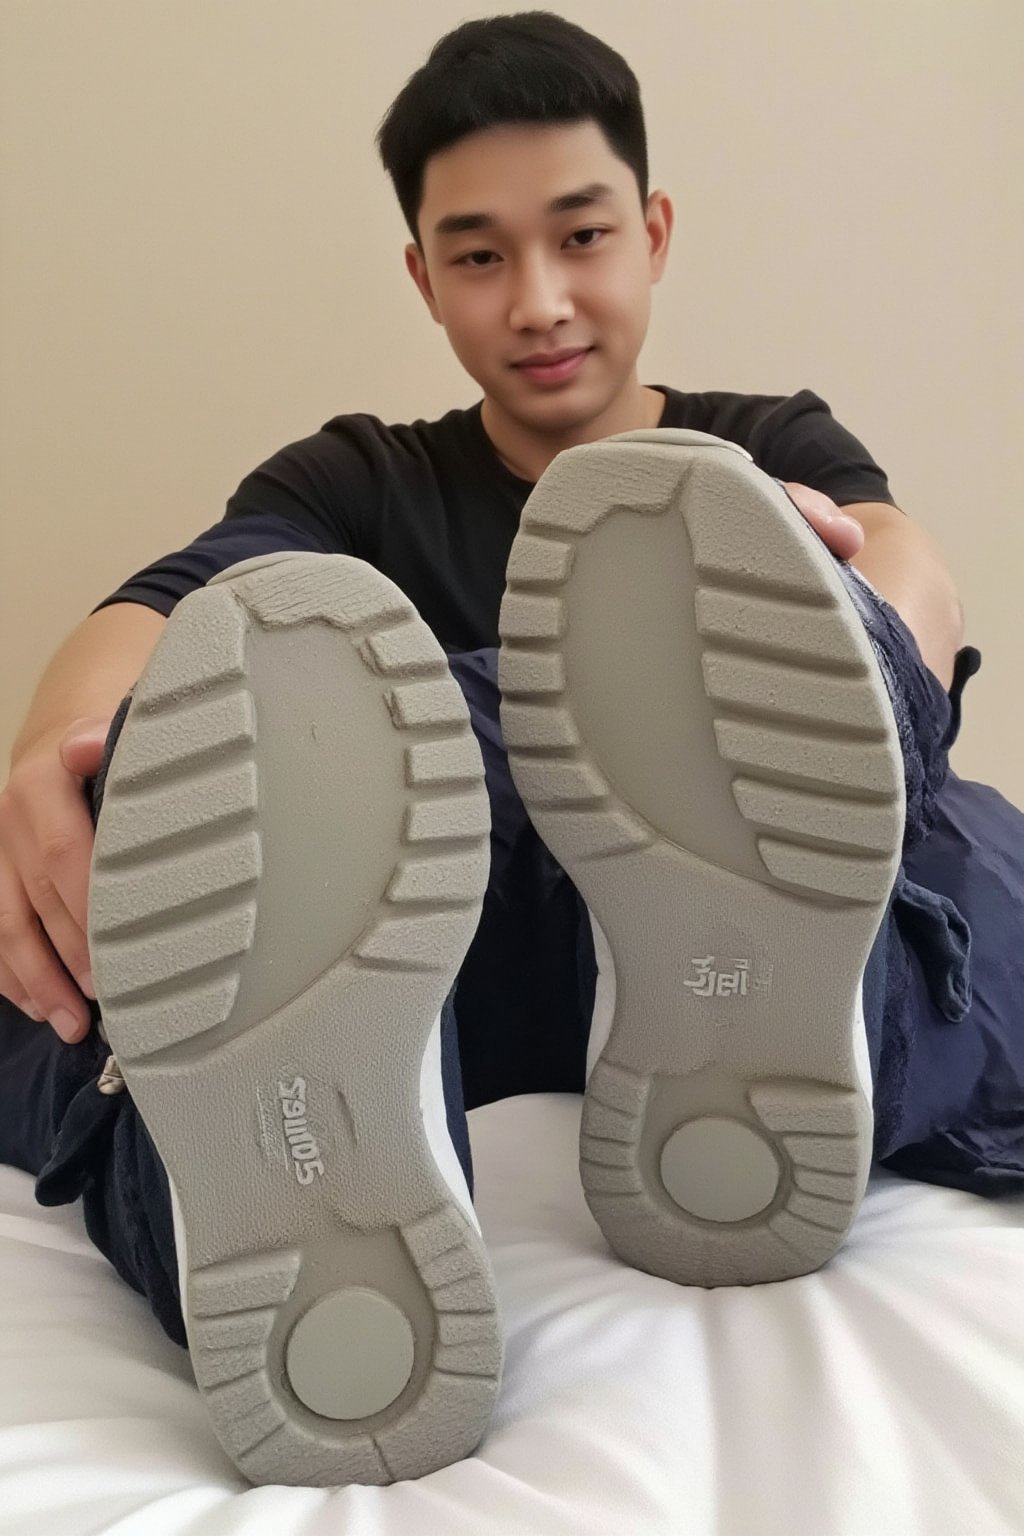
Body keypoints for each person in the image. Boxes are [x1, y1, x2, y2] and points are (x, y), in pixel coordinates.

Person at [1, 9, 1020, 1490]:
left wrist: (857, 617)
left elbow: (912, 566)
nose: (539, 300)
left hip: (680, 926)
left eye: (580, 236)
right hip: (424, 929)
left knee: (938, 840)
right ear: (422, 275)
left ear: (654, 232)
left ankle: (330, 1243)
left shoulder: (761, 441)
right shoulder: (357, 482)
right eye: (479, 256)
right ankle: (277, 1186)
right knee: (226, 789)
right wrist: (57, 758)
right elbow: (158, 614)